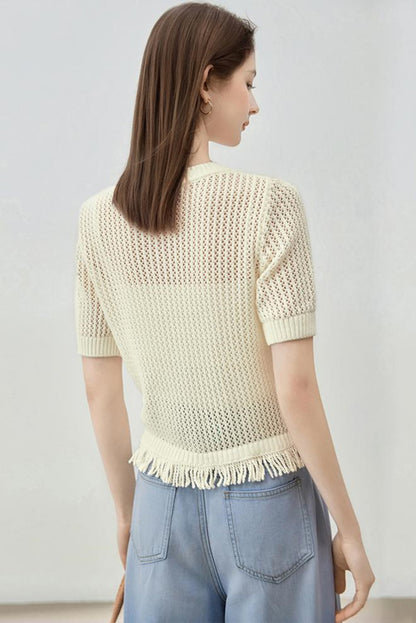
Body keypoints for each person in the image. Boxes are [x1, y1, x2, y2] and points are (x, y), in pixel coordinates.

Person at [74, 3, 375, 622]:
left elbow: (100, 392)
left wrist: (130, 520)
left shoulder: (98, 220)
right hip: (270, 503)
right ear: (206, 82)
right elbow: (295, 387)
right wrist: (348, 528)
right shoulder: (269, 205)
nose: (254, 103)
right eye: (248, 82)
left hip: (160, 507)